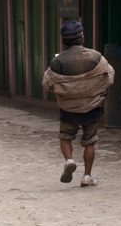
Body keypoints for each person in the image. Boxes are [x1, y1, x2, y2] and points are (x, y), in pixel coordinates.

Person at [43, 19, 114, 187]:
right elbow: (109, 76)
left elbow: (48, 83)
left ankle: (69, 160)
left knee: (65, 137)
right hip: (92, 106)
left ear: (63, 40)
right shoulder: (96, 57)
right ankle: (87, 176)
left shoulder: (58, 62)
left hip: (69, 108)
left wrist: (67, 91)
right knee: (90, 141)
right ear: (81, 37)